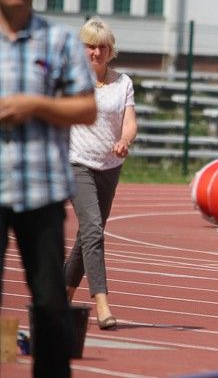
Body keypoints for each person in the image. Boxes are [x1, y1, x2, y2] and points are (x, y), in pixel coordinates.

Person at [0, 0, 97, 377]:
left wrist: (35, 106)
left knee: (50, 301)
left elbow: (86, 109)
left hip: (42, 190)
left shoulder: (59, 40)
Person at [64, 17, 137, 330]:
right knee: (94, 230)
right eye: (90, 46)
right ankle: (102, 303)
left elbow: (130, 122)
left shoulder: (123, 83)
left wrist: (125, 140)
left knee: (86, 237)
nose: (96, 52)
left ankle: (61, 295)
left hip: (110, 167)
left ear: (111, 50)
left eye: (102, 47)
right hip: (77, 163)